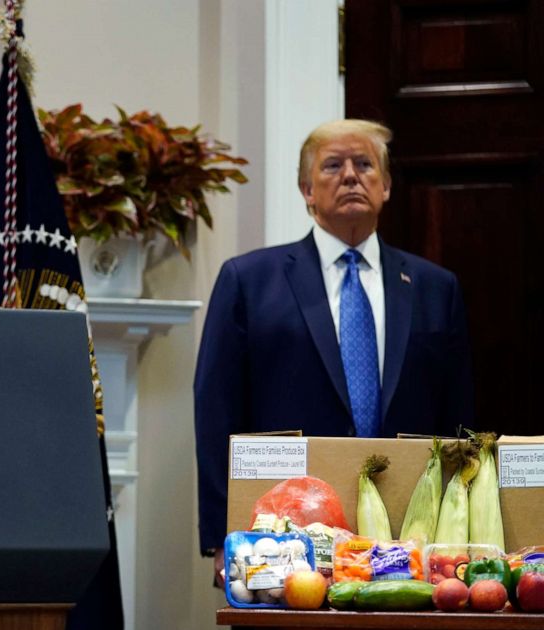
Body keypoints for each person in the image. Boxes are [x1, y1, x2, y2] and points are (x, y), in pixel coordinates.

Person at [193, 119, 474, 584]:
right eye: (332, 165)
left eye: (364, 164)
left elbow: (457, 413)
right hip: (281, 541)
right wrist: (221, 537)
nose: (350, 175)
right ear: (306, 189)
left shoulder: (434, 288)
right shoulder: (248, 282)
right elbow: (215, 412)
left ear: (385, 187)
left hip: (409, 538)